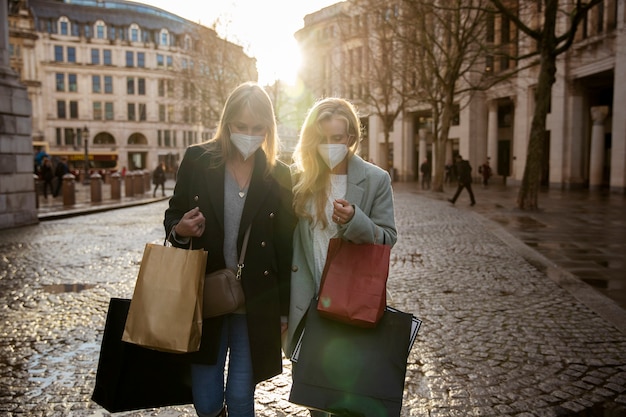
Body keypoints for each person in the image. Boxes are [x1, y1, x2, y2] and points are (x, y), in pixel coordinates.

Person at [164, 82, 296, 417]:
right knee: (206, 401)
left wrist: (283, 310)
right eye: (241, 126)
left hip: (256, 301)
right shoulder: (198, 159)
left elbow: (285, 245)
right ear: (227, 124)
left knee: (240, 398)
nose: (249, 134)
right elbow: (174, 213)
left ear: (268, 128)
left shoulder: (278, 174)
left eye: (258, 128)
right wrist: (180, 229)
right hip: (205, 297)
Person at [285, 98, 397, 417]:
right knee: (313, 397)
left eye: (338, 138)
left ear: (351, 138)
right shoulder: (297, 179)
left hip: (350, 302)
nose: (330, 145)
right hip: (307, 304)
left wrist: (354, 220)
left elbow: (387, 238)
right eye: (322, 137)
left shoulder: (376, 180)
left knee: (348, 396)